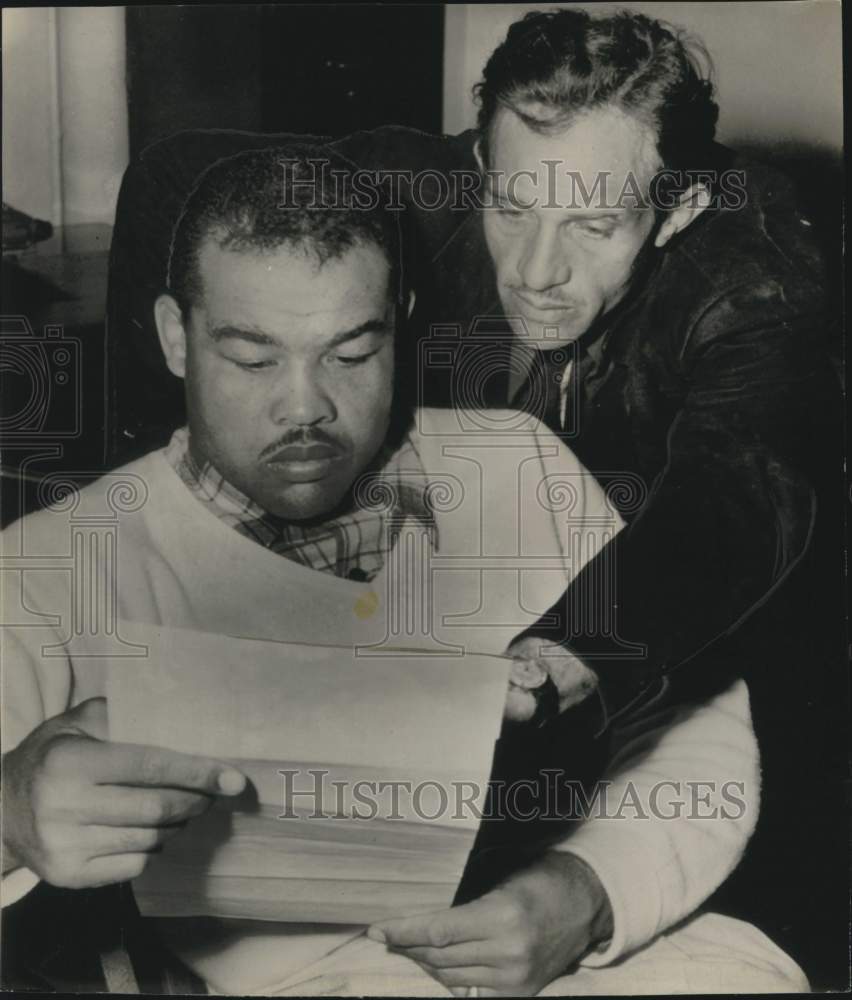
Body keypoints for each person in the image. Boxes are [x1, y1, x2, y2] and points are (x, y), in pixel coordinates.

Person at [108, 7, 844, 977]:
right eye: (512, 207)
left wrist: (565, 660)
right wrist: (167, 464)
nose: (537, 273)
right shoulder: (416, 182)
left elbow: (735, 503)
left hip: (718, 613)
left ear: (678, 209)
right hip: (493, 566)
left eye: (592, 222)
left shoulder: (754, 283)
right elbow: (176, 173)